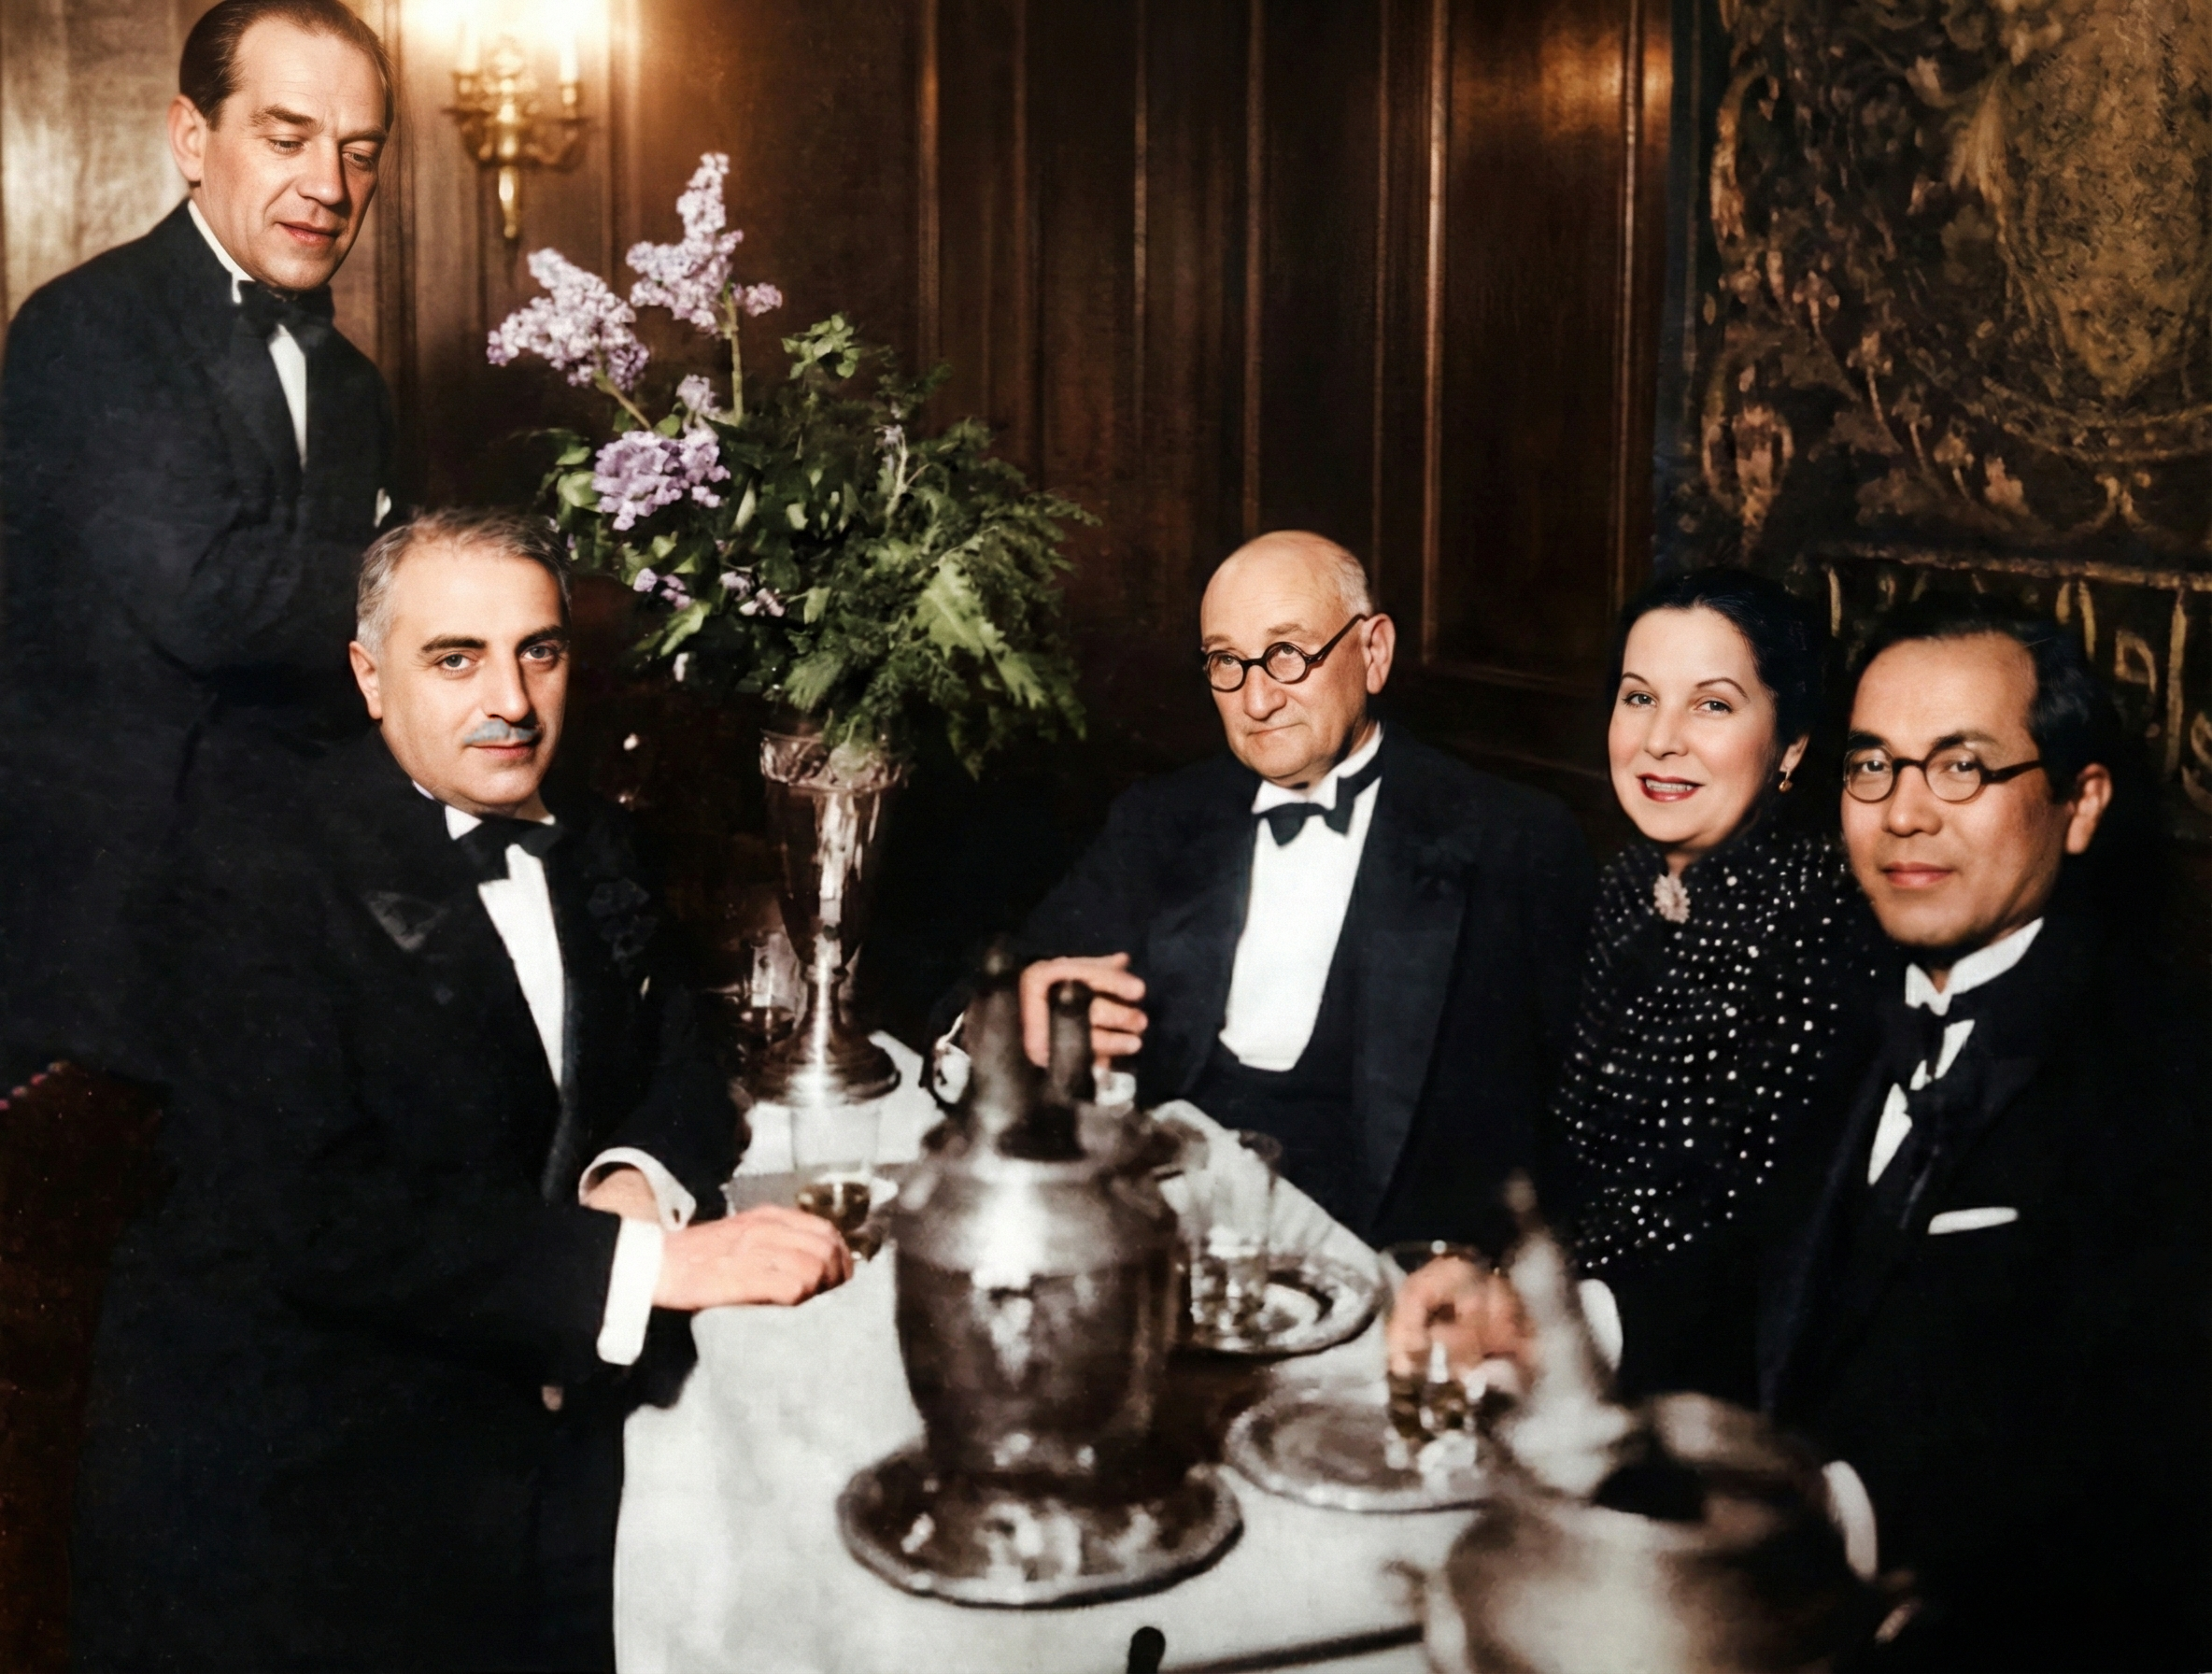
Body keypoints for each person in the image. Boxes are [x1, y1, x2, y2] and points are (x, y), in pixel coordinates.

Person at [69, 510, 853, 1672]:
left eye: (539, 652)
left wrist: (633, 1181)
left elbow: (680, 1050)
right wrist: (641, 1267)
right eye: (456, 658)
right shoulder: (253, 871)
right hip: (297, 1491)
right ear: (368, 679)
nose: (512, 701)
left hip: (518, 1431)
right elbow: (311, 1215)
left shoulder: (587, 831)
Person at [1392, 599, 2210, 1670]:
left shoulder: (2162, 1075)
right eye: (1873, 767)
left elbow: (2122, 1458)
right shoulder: (1861, 996)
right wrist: (1553, 1323)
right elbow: (1756, 1276)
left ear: (2079, 801)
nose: (1904, 812)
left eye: (1960, 767)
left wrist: (1807, 1527)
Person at [0, 0, 397, 1078]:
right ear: (190, 137)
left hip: (300, 904)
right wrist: (433, 588)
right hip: (116, 933)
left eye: (359, 153)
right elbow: (209, 595)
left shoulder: (356, 385)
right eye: (287, 138)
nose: (329, 185)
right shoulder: (88, 326)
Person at [1004, 530, 1593, 1246]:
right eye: (1227, 662)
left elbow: (1584, 1126)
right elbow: (997, 995)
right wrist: (1015, 1016)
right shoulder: (1161, 819)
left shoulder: (1512, 839)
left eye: (1287, 653)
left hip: (1388, 1260)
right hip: (1168, 1229)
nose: (1256, 700)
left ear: (1373, 652)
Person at [1550, 568, 1879, 1401]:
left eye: (1712, 705)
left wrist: (1561, 1329)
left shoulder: (1823, 928)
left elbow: (1749, 1251)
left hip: (1696, 1387)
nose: (1661, 740)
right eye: (1638, 697)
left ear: (1791, 746)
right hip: (1566, 1317)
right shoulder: (1625, 882)